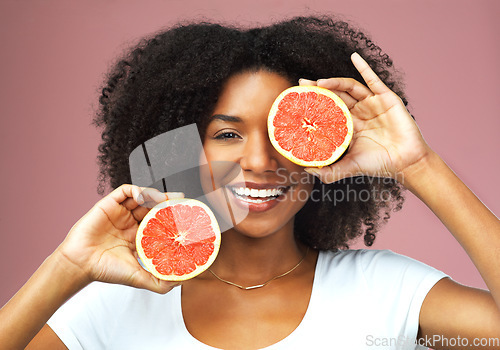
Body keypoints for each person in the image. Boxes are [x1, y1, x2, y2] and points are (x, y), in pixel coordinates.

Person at [1, 16, 499, 349]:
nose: (259, 161)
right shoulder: (111, 307)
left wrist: (417, 165)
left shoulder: (386, 292)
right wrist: (66, 267)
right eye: (228, 133)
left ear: (324, 147)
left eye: (285, 132)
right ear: (183, 148)